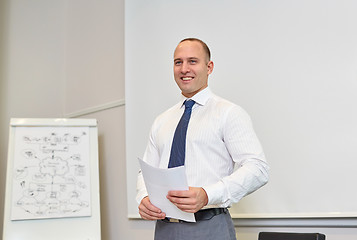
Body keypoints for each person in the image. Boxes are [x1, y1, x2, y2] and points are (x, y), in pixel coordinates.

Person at [136, 38, 269, 240]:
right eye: (178, 62)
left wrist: (208, 194)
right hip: (164, 229)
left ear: (209, 67)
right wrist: (143, 197)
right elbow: (146, 172)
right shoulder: (161, 121)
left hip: (209, 226)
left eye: (192, 61)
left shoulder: (228, 113)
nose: (184, 69)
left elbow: (258, 168)